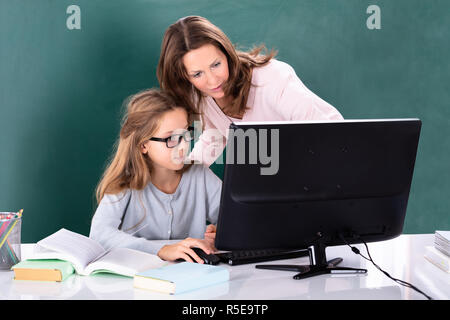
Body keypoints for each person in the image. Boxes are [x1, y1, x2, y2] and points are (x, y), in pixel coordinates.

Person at [157, 15, 344, 168]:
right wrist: (186, 174)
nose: (213, 81)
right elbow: (214, 135)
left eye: (216, 64)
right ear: (184, 77)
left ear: (227, 54)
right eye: (197, 74)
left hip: (326, 161)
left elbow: (325, 132)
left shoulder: (271, 78)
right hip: (275, 176)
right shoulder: (198, 94)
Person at [89, 88, 221, 263]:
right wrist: (161, 250)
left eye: (185, 134)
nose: (183, 147)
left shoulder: (200, 175)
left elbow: (238, 219)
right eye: (171, 139)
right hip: (136, 281)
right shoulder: (125, 182)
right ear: (144, 145)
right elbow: (99, 234)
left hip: (191, 278)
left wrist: (222, 233)